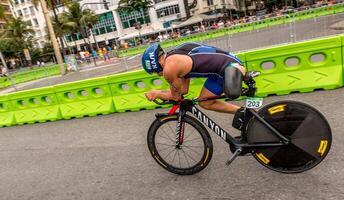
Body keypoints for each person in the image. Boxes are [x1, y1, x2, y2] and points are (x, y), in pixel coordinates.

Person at [141, 43, 246, 126]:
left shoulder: (169, 69)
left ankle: (249, 114)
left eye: (155, 72)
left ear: (155, 65)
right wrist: (166, 93)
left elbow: (176, 97)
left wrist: (157, 93)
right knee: (205, 102)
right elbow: (184, 90)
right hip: (226, 67)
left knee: (229, 95)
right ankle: (242, 112)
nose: (158, 75)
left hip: (230, 69)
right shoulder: (176, 55)